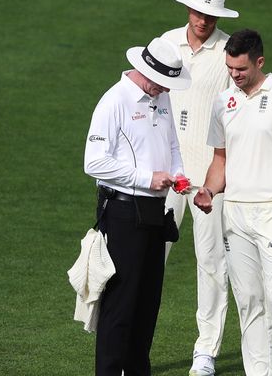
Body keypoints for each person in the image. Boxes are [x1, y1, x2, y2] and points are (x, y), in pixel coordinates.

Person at [193, 29, 272, 376]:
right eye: (230, 69)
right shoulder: (223, 102)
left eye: (241, 69)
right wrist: (209, 191)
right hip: (236, 215)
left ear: (259, 62)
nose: (234, 75)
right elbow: (221, 160)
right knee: (249, 303)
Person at [83, 37, 191, 376]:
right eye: (165, 83)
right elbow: (93, 163)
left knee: (147, 305)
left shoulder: (161, 99)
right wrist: (146, 178)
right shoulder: (113, 101)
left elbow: (173, 145)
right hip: (123, 214)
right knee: (120, 307)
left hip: (155, 214)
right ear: (147, 73)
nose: (169, 91)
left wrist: (179, 176)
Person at [160, 0, 239, 376]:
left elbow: (235, 116)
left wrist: (221, 176)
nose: (203, 20)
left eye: (210, 16)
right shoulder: (165, 43)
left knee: (211, 262)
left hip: (211, 178)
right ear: (188, 10)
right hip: (166, 175)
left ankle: (205, 351)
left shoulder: (229, 54)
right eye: (198, 12)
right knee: (149, 259)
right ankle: (132, 345)